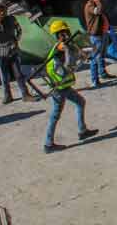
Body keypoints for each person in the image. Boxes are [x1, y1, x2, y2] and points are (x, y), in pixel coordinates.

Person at [43, 20, 98, 154]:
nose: (67, 34)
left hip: (62, 86)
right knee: (56, 114)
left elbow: (74, 56)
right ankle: (48, 144)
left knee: (80, 102)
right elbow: (68, 60)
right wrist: (78, 53)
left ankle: (82, 130)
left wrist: (85, 53)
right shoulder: (61, 46)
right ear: (60, 34)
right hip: (59, 87)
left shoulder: (65, 46)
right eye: (64, 32)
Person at [0, 2, 33, 103]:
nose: (2, 12)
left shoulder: (11, 19)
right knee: (4, 77)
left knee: (18, 74)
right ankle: (7, 96)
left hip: (12, 51)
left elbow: (19, 29)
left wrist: (16, 39)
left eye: (3, 10)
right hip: (0, 54)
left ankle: (25, 94)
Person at [83, 0, 115, 88]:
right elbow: (98, 11)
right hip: (96, 35)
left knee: (101, 55)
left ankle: (103, 73)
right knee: (95, 58)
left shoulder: (95, 3)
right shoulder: (90, 5)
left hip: (102, 33)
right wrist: (97, 1)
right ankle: (94, 81)